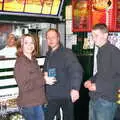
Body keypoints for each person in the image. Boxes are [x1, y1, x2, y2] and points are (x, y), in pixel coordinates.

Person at [43, 28, 83, 120]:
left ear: (58, 38)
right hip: (52, 95)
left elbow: (76, 70)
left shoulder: (67, 53)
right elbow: (46, 71)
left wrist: (75, 89)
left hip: (65, 95)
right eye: (48, 38)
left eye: (53, 37)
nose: (51, 40)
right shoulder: (49, 53)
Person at [84, 23, 120, 120]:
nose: (94, 39)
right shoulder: (101, 51)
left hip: (107, 100)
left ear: (105, 35)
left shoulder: (114, 52)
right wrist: (91, 80)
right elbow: (101, 72)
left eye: (96, 35)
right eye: (92, 36)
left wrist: (98, 86)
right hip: (95, 98)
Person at [14, 34, 47, 120]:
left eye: (32, 42)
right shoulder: (21, 62)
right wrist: (44, 80)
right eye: (26, 43)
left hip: (37, 102)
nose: (30, 45)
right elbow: (25, 86)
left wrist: (44, 76)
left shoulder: (33, 60)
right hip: (29, 105)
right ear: (21, 46)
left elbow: (34, 79)